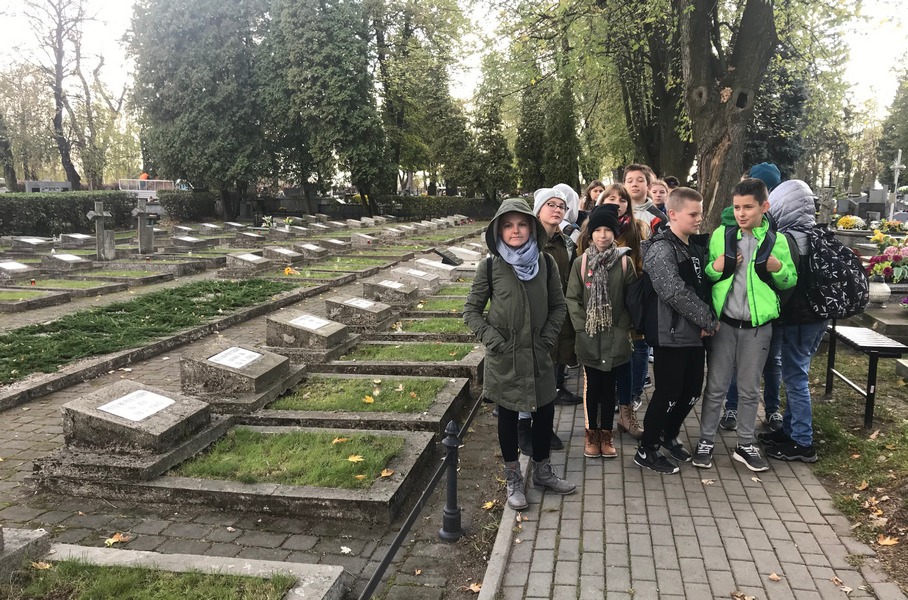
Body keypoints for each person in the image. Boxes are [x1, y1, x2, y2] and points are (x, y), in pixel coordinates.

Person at [464, 198, 576, 510]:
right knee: (509, 417)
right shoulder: (490, 267)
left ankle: (542, 471)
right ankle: (513, 478)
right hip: (506, 359)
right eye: (508, 225)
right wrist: (495, 341)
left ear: (532, 227)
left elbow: (558, 306)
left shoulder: (545, 264)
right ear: (499, 230)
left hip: (539, 355)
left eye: (522, 224)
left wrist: (546, 340)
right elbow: (471, 311)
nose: (516, 230)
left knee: (544, 412)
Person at [692, 179, 797, 472]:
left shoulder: (777, 241)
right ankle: (706, 440)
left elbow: (790, 280)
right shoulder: (721, 235)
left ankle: (745, 443)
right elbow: (707, 276)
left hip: (758, 327)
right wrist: (716, 267)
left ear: (765, 206)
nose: (741, 213)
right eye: (737, 207)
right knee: (716, 386)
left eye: (748, 207)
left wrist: (779, 268)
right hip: (724, 325)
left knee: (749, 388)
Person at [636, 187, 719, 474]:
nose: (699, 219)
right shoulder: (662, 248)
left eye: (700, 213)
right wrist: (707, 319)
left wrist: (704, 321)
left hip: (693, 333)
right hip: (670, 334)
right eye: (693, 214)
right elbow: (673, 291)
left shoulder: (692, 246)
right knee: (668, 393)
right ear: (672, 214)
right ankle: (646, 449)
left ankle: (668, 433)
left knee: (692, 391)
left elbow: (701, 286)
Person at [759, 179, 828, 462]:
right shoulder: (818, 235)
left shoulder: (787, 239)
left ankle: (802, 441)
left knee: (795, 377)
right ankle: (788, 431)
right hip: (819, 317)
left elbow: (785, 284)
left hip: (799, 318)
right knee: (796, 373)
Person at [566, 204, 637, 458]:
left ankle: (606, 434)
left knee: (609, 388)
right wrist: (583, 327)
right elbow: (572, 298)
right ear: (591, 233)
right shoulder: (581, 263)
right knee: (592, 387)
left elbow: (632, 300)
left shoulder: (625, 262)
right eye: (598, 230)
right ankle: (591, 433)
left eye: (608, 230)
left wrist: (622, 327)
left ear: (615, 233)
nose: (603, 235)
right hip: (590, 336)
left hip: (615, 337)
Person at [720, 162, 785, 432]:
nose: (742, 212)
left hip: (767, 309)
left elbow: (787, 274)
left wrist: (779, 269)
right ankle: (732, 407)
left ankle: (772, 409)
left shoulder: (777, 225)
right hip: (737, 309)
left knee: (772, 361)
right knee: (739, 363)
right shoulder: (732, 221)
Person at [591, 183, 647, 438]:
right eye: (610, 198)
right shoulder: (590, 231)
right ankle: (596, 422)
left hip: (628, 309)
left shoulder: (637, 230)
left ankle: (627, 411)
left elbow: (642, 268)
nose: (616, 202)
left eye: (621, 199)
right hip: (598, 311)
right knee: (599, 368)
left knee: (627, 361)